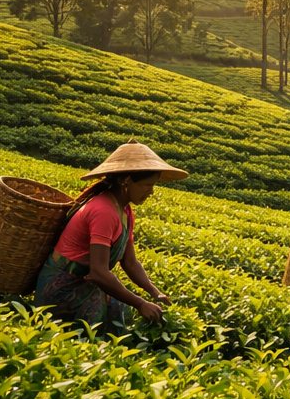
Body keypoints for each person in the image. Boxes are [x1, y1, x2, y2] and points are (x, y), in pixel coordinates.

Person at [34, 139, 184, 327]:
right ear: (125, 181)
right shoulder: (104, 211)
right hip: (63, 290)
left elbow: (130, 262)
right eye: (147, 185)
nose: (152, 192)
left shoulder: (125, 211)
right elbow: (98, 273)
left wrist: (154, 292)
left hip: (86, 286)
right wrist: (140, 303)